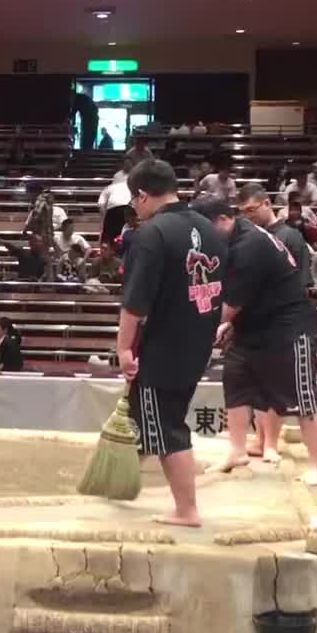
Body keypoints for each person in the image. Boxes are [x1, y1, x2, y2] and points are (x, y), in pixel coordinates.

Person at [120, 160, 227, 527]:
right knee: (153, 415)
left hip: (163, 346)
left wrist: (123, 350)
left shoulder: (152, 233)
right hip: (196, 342)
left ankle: (186, 509)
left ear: (143, 195)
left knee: (166, 425)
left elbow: (134, 303)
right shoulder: (210, 229)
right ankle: (120, 476)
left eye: (134, 201)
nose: (135, 208)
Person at [192, 196, 317, 484]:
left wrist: (196, 328)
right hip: (252, 323)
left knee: (304, 396)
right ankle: (237, 450)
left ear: (222, 220)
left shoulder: (249, 245)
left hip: (289, 326)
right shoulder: (231, 239)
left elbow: (230, 305)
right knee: (236, 380)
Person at [237, 183, 312, 287]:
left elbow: (303, 282)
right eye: (243, 212)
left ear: (266, 204)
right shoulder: (245, 239)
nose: (247, 216)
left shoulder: (291, 236)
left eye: (251, 210)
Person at [98, 159, 134, 245]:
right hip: (128, 209)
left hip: (114, 210)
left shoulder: (109, 187)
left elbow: (100, 204)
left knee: (109, 237)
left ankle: (108, 250)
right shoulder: (130, 187)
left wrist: (104, 219)